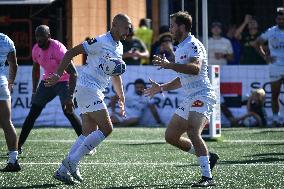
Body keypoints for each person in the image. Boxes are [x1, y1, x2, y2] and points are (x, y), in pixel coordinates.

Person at [45, 14, 132, 184]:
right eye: (126, 27)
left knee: (88, 133)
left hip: (95, 90)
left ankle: (62, 171)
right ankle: (71, 162)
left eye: (129, 28)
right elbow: (70, 53)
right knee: (107, 128)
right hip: (86, 88)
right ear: (114, 25)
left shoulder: (119, 46)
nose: (128, 32)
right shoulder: (99, 41)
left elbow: (116, 75)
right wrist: (57, 74)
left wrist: (121, 96)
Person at [144, 11, 219, 187]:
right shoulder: (180, 48)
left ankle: (207, 177)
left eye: (172, 26)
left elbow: (194, 69)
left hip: (203, 95)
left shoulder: (193, 44)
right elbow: (181, 78)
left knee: (193, 132)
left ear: (182, 27)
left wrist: (169, 65)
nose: (170, 29)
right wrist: (161, 88)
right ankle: (208, 158)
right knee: (171, 137)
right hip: (190, 97)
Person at [17, 25, 82, 154]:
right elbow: (35, 70)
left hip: (64, 81)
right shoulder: (36, 49)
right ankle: (17, 146)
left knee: (68, 111)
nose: (39, 39)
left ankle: (87, 144)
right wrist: (34, 91)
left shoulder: (58, 49)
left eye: (42, 36)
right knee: (33, 113)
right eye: (37, 36)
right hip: (47, 82)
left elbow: (73, 73)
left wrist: (70, 97)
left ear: (49, 36)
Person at [255, 7, 284, 127]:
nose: (281, 20)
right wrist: (266, 57)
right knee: (275, 94)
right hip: (275, 66)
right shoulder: (271, 31)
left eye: (283, 19)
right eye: (279, 18)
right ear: (276, 19)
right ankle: (276, 119)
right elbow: (257, 43)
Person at [0, 33, 21, 172]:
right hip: (1, 83)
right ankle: (13, 160)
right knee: (7, 123)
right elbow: (13, 64)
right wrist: (10, 83)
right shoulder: (5, 39)